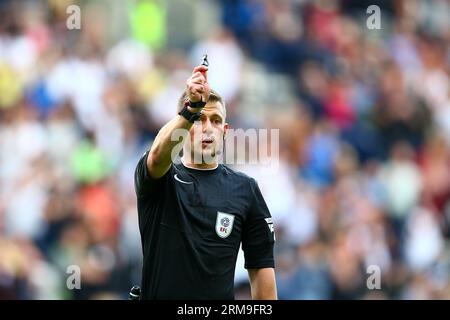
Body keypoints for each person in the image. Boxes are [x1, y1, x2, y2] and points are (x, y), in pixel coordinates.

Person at [134, 63, 277, 299]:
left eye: (216, 120)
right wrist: (192, 108)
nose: (208, 128)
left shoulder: (245, 189)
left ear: (225, 130)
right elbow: (158, 155)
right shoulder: (161, 180)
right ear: (183, 125)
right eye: (199, 119)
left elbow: (263, 277)